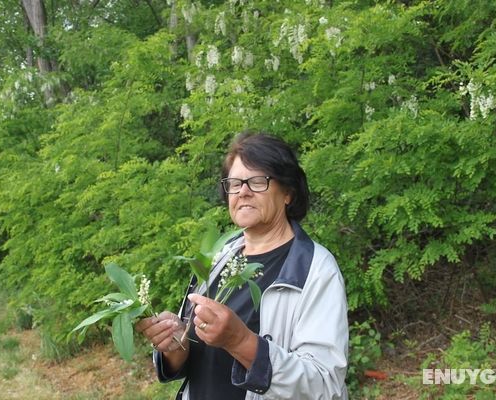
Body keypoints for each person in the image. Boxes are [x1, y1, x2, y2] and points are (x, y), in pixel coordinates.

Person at [135, 132, 349, 399]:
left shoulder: (315, 269)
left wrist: (240, 341)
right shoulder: (217, 257)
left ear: (288, 193)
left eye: (257, 181)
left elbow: (323, 384)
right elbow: (196, 360)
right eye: (234, 183)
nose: (243, 191)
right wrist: (176, 343)